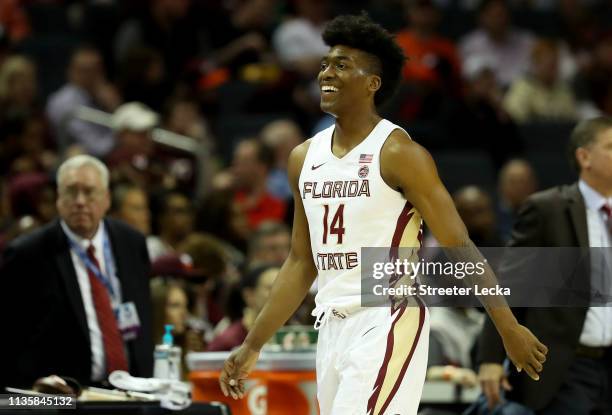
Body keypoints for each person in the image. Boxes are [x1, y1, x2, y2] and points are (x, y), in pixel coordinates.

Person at [219, 14, 547, 415]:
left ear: (372, 83)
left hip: (387, 315)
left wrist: (507, 327)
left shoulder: (399, 154)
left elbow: (458, 244)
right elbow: (302, 262)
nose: (327, 72)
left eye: (342, 65)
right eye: (325, 63)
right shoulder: (303, 157)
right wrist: (253, 343)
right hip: (331, 323)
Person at [478, 116, 612, 414]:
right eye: (611, 146)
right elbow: (510, 285)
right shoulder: (548, 209)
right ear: (584, 156)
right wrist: (490, 358)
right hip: (567, 368)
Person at [0, 155, 153, 389]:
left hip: (130, 391)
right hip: (65, 396)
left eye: (89, 192)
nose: (80, 201)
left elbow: (142, 313)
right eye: (71, 192)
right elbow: (10, 338)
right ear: (59, 200)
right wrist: (30, 392)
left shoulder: (131, 243)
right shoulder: (28, 254)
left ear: (106, 199)